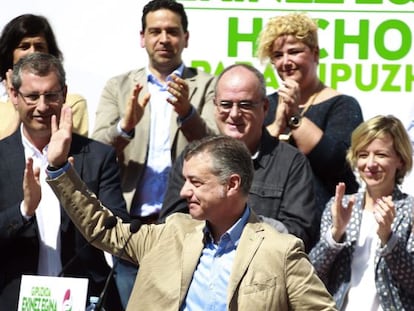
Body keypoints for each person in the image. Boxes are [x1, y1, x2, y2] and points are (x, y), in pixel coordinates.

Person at [39, 108, 337, 310]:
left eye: (195, 182)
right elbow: (102, 228)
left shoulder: (279, 250)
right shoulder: (170, 232)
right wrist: (59, 168)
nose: (184, 191)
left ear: (231, 185)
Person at [91, 0, 217, 304]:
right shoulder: (119, 87)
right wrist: (125, 127)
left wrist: (188, 114)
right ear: (142, 37)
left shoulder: (207, 85)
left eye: (172, 31)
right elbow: (95, 153)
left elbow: (219, 150)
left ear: (186, 37)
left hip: (189, 226)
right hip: (132, 227)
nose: (164, 39)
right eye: (155, 31)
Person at [0, 52, 127, 310]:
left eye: (51, 95)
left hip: (84, 299)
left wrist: (66, 181)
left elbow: (119, 232)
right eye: (32, 96)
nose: (43, 106)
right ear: (14, 96)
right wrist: (25, 210)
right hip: (13, 300)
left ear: (64, 94)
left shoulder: (97, 157)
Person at [160, 64, 318, 252]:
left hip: (262, 275)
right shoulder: (192, 158)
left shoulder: (291, 163)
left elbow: (300, 235)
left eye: (245, 105)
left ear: (265, 107)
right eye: (226, 104)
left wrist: (236, 221)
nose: (234, 114)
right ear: (215, 106)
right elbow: (169, 227)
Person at [257, 12, 364, 217]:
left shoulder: (343, 105)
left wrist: (295, 117)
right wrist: (278, 123)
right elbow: (250, 157)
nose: (286, 62)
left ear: (315, 54)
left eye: (294, 51)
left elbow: (335, 162)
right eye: (278, 56)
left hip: (324, 224)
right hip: (268, 222)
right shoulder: (265, 104)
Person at [309, 115, 414, 310]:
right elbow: (311, 275)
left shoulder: (410, 210)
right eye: (363, 155)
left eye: (381, 155)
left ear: (400, 159)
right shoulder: (340, 206)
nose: (371, 164)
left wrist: (388, 239)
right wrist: (335, 235)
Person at [0, 13, 88, 140]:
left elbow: (68, 146)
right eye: (24, 47)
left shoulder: (70, 104)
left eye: (39, 46)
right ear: (10, 54)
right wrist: (19, 103)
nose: (32, 52)